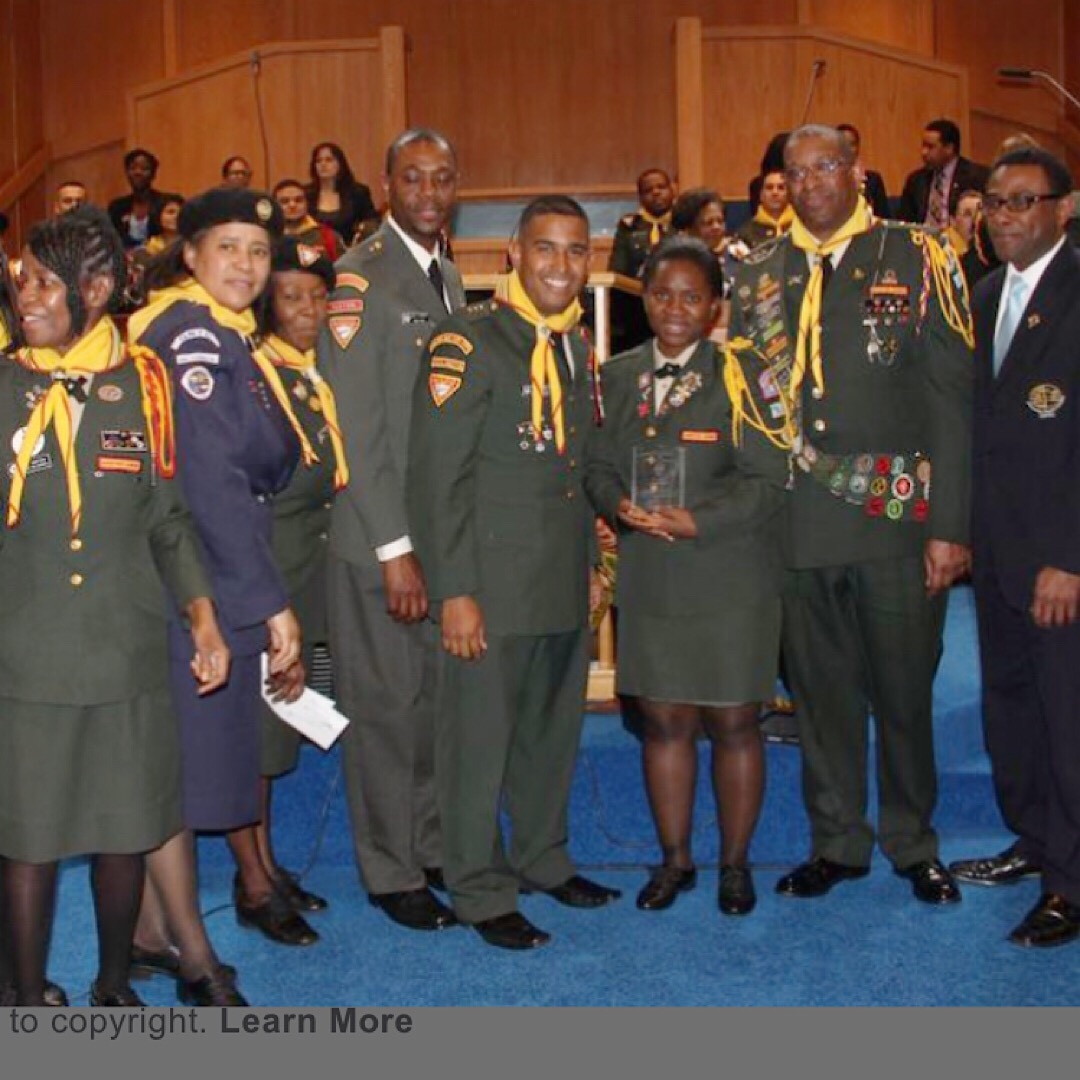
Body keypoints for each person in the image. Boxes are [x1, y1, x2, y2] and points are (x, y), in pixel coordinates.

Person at [728, 124, 974, 906]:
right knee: (821, 695)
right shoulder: (759, 271)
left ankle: (912, 842)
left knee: (904, 691)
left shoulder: (918, 254)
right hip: (798, 521)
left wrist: (950, 525)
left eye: (825, 166)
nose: (810, 183)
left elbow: (951, 400)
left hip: (894, 518)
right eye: (795, 171)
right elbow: (747, 405)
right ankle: (837, 841)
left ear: (856, 172)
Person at [0, 206, 229, 1006]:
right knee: (27, 835)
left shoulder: (145, 384)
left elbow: (167, 518)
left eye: (43, 282)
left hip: (124, 647)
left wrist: (202, 615)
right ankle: (21, 994)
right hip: (25, 651)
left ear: (94, 290)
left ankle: (112, 984)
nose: (24, 295)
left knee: (124, 827)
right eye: (22, 279)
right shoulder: (3, 384)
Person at [408, 194, 621, 951]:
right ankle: (478, 887)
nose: (561, 265)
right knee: (476, 747)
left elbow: (577, 467)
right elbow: (437, 480)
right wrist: (454, 592)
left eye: (575, 250)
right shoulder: (466, 341)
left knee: (549, 737)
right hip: (489, 590)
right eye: (545, 248)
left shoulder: (575, 347)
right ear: (513, 255)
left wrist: (593, 562)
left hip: (557, 580)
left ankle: (542, 859)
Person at [128, 186, 307, 1004]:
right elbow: (212, 482)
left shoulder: (227, 333)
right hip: (200, 582)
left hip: (215, 569)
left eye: (259, 251)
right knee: (185, 772)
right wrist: (269, 601)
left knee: (193, 764)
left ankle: (148, 932)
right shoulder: (193, 336)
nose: (245, 264)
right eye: (227, 247)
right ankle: (179, 945)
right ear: (191, 253)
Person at [586, 236, 788, 916]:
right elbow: (596, 466)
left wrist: (697, 521)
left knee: (734, 721)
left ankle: (735, 864)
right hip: (652, 577)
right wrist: (616, 504)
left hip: (730, 577)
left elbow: (769, 481)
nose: (675, 308)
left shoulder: (747, 374)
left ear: (715, 307)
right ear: (644, 299)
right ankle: (675, 861)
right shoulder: (615, 376)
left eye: (691, 297)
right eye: (662, 294)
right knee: (665, 722)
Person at [318, 128, 464, 933]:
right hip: (381, 541)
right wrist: (395, 548)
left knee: (430, 704)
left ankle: (429, 846)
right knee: (384, 710)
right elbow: (357, 428)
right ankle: (389, 869)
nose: (429, 192)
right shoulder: (359, 278)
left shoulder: (447, 273)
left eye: (442, 178)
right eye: (414, 178)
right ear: (385, 188)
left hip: (432, 533)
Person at [948, 148, 1080, 948]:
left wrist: (1073, 556)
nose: (1003, 215)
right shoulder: (986, 293)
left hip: (1060, 559)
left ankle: (1072, 880)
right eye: (994, 202)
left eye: (1023, 201)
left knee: (1068, 722)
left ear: (1065, 208)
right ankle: (1035, 841)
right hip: (998, 553)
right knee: (1014, 710)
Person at [229, 236, 346, 943]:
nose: (308, 308)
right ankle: (252, 883)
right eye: (292, 296)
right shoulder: (252, 379)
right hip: (264, 584)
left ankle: (268, 865)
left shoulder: (309, 375)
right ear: (267, 306)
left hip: (305, 577)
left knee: (272, 739)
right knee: (254, 743)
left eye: (319, 295)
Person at [898, 119, 990, 228]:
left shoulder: (977, 177)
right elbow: (903, 223)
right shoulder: (916, 180)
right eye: (923, 146)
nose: (924, 152)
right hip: (921, 237)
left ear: (949, 148)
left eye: (930, 147)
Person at [306, 142, 379, 246]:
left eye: (329, 160)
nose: (323, 164)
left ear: (340, 163)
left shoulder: (357, 193)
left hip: (350, 250)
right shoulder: (306, 194)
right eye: (318, 161)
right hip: (313, 250)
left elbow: (372, 222)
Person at [107, 148, 179, 250]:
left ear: (153, 174)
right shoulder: (117, 207)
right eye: (133, 168)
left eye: (144, 168)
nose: (138, 172)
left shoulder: (167, 202)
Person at [273, 179, 344, 260]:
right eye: (284, 201)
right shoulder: (267, 237)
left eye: (299, 200)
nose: (292, 205)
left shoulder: (329, 236)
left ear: (307, 203)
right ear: (274, 206)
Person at [837, 124, 890, 220]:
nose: (847, 149)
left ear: (858, 147)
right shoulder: (825, 180)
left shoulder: (873, 180)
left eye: (852, 144)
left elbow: (884, 218)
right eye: (842, 144)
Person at [735, 170, 794, 250]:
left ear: (790, 194)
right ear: (761, 195)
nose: (775, 192)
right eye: (769, 188)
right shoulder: (745, 234)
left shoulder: (802, 228)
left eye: (781, 188)